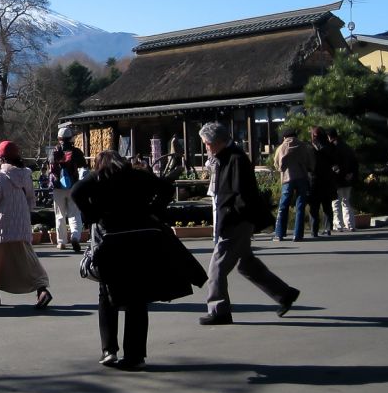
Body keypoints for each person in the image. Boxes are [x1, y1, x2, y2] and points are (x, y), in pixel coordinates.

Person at [72, 150, 206, 370]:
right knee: (137, 297)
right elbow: (165, 187)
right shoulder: (138, 175)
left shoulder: (98, 177)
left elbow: (76, 191)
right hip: (143, 239)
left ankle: (109, 350)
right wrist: (153, 209)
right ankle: (135, 356)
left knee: (106, 293)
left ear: (100, 164)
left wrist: (92, 214)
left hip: (112, 241)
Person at [198, 122, 300, 325]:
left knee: (216, 268)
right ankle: (284, 294)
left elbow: (241, 195)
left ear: (217, 141)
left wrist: (231, 216)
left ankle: (219, 310)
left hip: (235, 221)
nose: (206, 147)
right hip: (238, 219)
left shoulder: (234, 159)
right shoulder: (225, 157)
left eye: (207, 143)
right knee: (246, 264)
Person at [0, 140, 52, 309]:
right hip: (21, 222)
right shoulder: (25, 174)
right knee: (27, 260)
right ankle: (41, 290)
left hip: (1, 224)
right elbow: (31, 200)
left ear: (1, 159)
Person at [273, 128, 315, 242]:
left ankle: (279, 234)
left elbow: (277, 165)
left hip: (287, 179)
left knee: (283, 206)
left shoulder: (281, 148)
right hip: (301, 177)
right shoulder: (303, 146)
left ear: (285, 137)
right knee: (300, 206)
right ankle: (297, 235)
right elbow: (310, 163)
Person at [49, 126, 87, 252]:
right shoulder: (76, 152)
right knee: (74, 213)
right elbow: (84, 167)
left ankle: (61, 242)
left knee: (59, 215)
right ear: (70, 138)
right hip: (73, 186)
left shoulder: (54, 151)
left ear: (59, 138)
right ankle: (75, 236)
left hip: (58, 187)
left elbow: (50, 168)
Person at [307, 126, 337, 238]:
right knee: (327, 206)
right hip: (327, 179)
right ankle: (328, 228)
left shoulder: (310, 147)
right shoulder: (330, 146)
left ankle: (314, 230)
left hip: (314, 179)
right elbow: (334, 161)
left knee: (314, 207)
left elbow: (307, 164)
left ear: (314, 136)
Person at [327, 128, 358, 231]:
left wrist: (340, 173)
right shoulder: (347, 146)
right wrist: (350, 174)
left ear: (329, 137)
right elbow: (354, 162)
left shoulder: (332, 148)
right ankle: (350, 224)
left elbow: (333, 164)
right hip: (348, 178)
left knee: (336, 202)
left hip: (337, 179)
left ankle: (338, 225)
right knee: (346, 202)